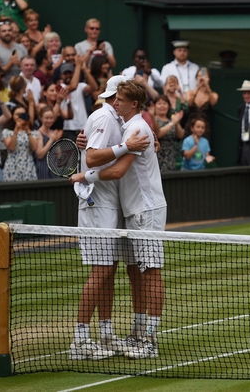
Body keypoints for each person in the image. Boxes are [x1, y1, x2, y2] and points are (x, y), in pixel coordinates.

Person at [71, 79, 167, 360]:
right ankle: (137, 333)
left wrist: (83, 175)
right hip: (130, 211)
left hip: (145, 211)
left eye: (119, 99)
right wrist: (85, 144)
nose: (114, 103)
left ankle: (149, 338)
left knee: (151, 270)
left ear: (133, 103)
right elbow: (109, 151)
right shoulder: (127, 126)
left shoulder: (135, 128)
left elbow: (116, 172)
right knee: (134, 270)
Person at [1, 105, 38, 182]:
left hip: (28, 165)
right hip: (12, 166)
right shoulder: (7, 132)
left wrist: (28, 130)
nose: (20, 117)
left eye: (22, 114)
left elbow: (34, 148)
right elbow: (11, 147)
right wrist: (16, 130)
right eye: (17, 114)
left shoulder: (33, 132)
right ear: (13, 116)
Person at [184, 68, 218, 141]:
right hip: (190, 127)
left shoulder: (213, 94)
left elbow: (213, 102)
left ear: (208, 79)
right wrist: (198, 88)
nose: (201, 78)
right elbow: (189, 104)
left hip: (204, 129)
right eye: (199, 76)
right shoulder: (189, 93)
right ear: (196, 78)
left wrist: (207, 87)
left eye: (204, 76)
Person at [153, 95, 184, 172]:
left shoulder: (172, 120)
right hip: (157, 157)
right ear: (154, 106)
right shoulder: (153, 120)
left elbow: (180, 135)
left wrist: (176, 122)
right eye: (159, 104)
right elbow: (158, 134)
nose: (162, 106)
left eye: (164, 103)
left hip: (171, 157)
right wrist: (172, 123)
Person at [34, 106, 62, 179]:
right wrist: (51, 140)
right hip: (43, 167)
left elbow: (59, 156)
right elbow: (39, 155)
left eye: (51, 118)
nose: (49, 120)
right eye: (46, 118)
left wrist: (56, 141)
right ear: (41, 118)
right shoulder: (38, 133)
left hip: (54, 167)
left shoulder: (52, 133)